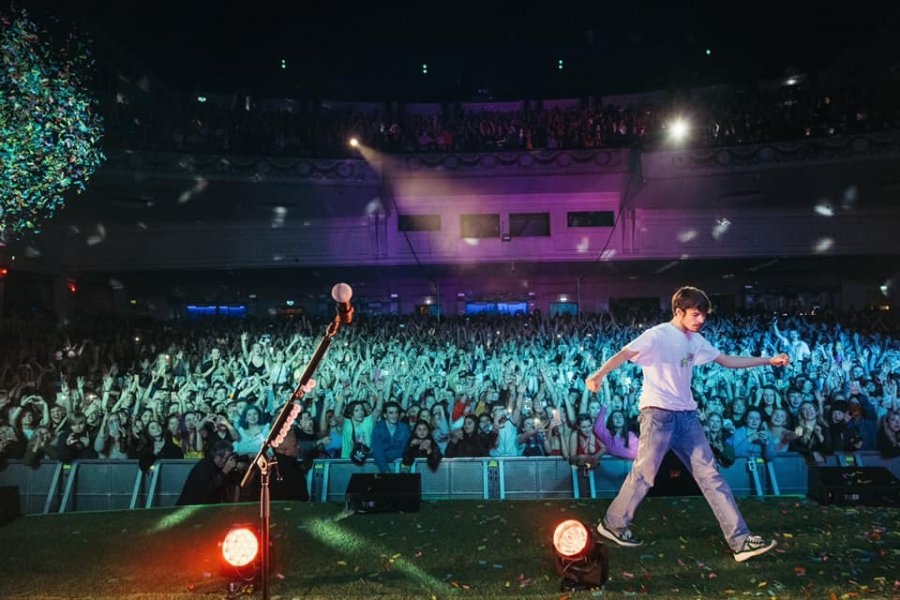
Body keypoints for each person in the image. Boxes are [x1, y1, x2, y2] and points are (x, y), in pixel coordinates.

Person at [585, 286, 789, 563]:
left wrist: (767, 360)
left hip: (687, 417)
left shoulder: (696, 340)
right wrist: (598, 374)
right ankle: (613, 524)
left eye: (704, 314)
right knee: (644, 475)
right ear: (678, 311)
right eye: (695, 314)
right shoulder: (657, 335)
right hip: (658, 414)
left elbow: (727, 361)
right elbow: (624, 353)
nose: (701, 319)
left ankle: (740, 541)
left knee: (711, 476)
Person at [176, 440, 238, 506]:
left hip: (203, 508)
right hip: (188, 508)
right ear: (218, 456)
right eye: (227, 458)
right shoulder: (205, 466)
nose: (227, 461)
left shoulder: (217, 468)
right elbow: (208, 489)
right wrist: (225, 471)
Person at [370, 401, 410, 472]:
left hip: (401, 467)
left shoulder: (404, 428)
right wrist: (386, 470)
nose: (394, 416)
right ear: (385, 415)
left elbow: (404, 450)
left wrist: (386, 454)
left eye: (396, 412)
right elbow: (378, 452)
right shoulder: (378, 428)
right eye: (391, 413)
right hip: (381, 468)